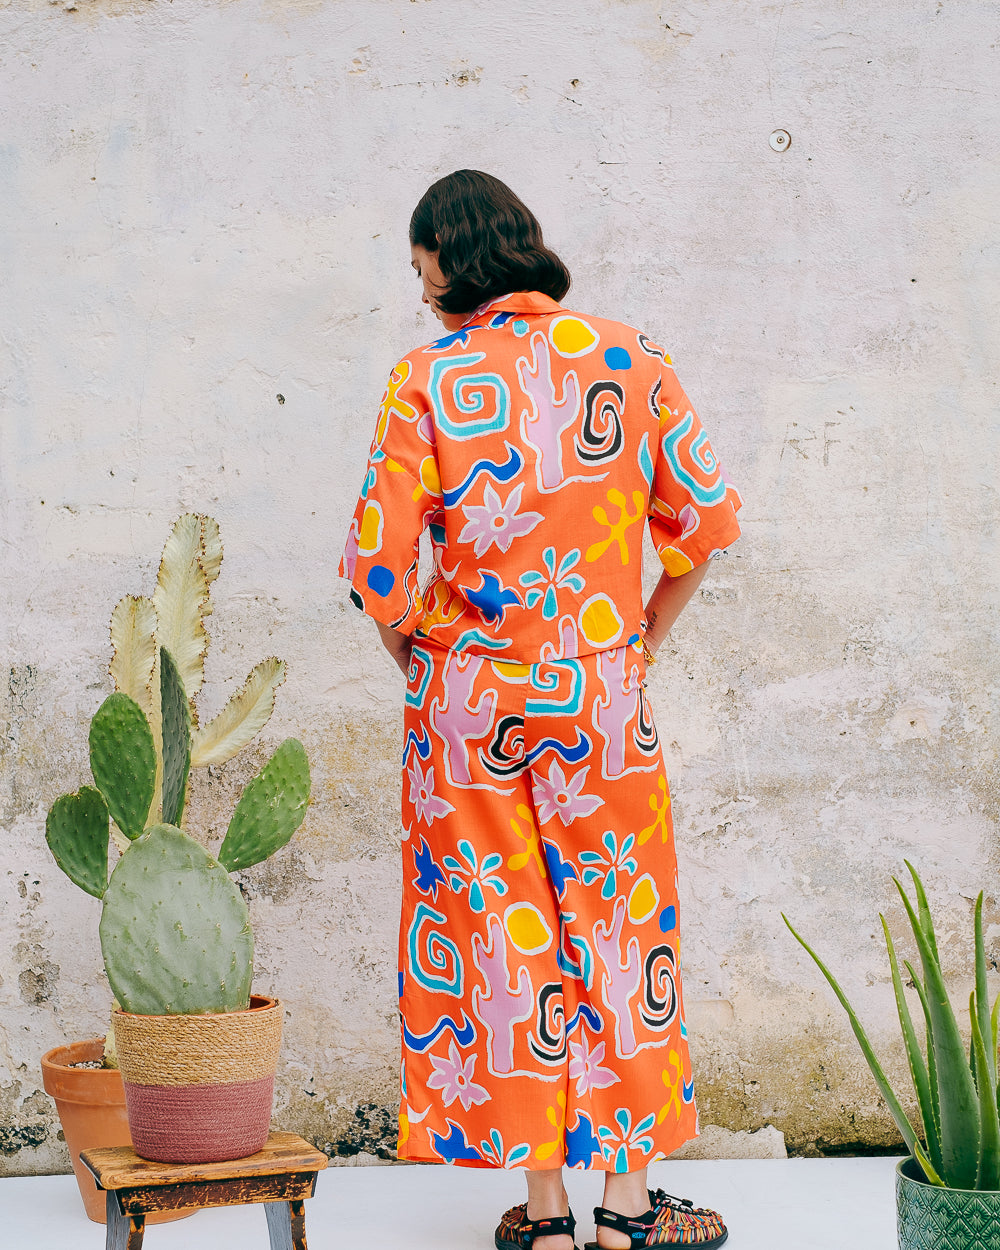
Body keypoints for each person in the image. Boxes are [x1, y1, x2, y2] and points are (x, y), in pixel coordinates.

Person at [340, 170, 742, 1250]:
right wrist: (636, 644)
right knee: (620, 922)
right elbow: (701, 525)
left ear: (443, 258)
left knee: (501, 932)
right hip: (602, 693)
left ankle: (546, 1213)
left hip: (470, 706)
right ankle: (629, 1205)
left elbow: (379, 573)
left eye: (415, 260)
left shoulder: (423, 379)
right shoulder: (630, 356)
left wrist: (430, 666)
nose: (414, 279)